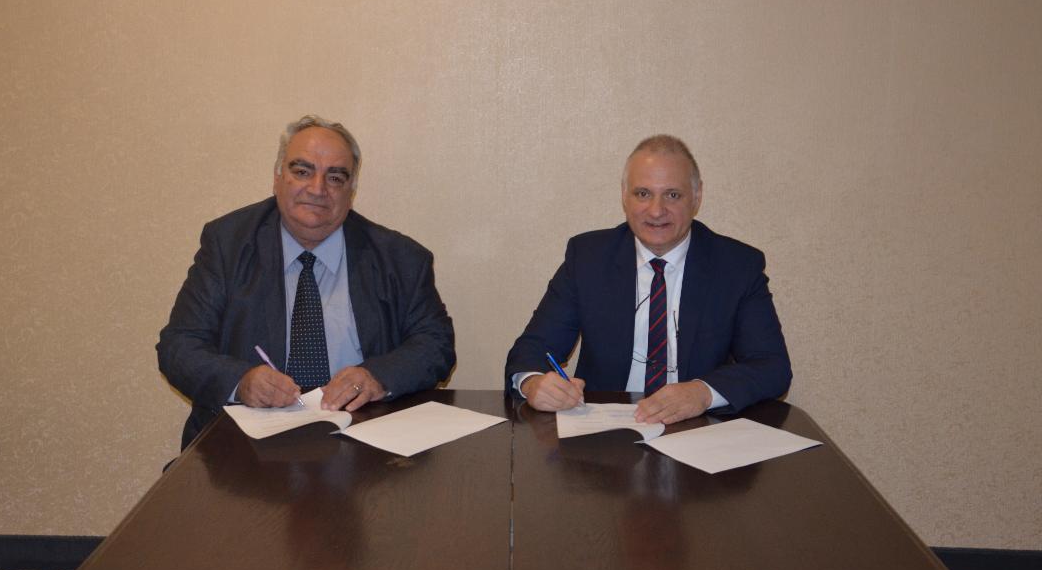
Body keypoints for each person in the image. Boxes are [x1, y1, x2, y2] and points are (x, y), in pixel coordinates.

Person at [158, 116, 456, 449]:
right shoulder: (227, 244)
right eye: (302, 171)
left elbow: (435, 343)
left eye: (335, 177)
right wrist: (240, 381)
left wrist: (376, 376)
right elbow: (178, 345)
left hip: (363, 444)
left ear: (351, 191)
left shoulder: (399, 258)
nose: (317, 189)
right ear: (277, 178)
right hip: (244, 447)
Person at [505, 134, 790, 424]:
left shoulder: (737, 266)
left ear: (697, 196)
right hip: (604, 433)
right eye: (643, 194)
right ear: (624, 196)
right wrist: (533, 383)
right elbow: (532, 350)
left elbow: (772, 366)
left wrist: (703, 392)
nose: (656, 210)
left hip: (697, 429)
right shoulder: (588, 258)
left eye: (672, 195)